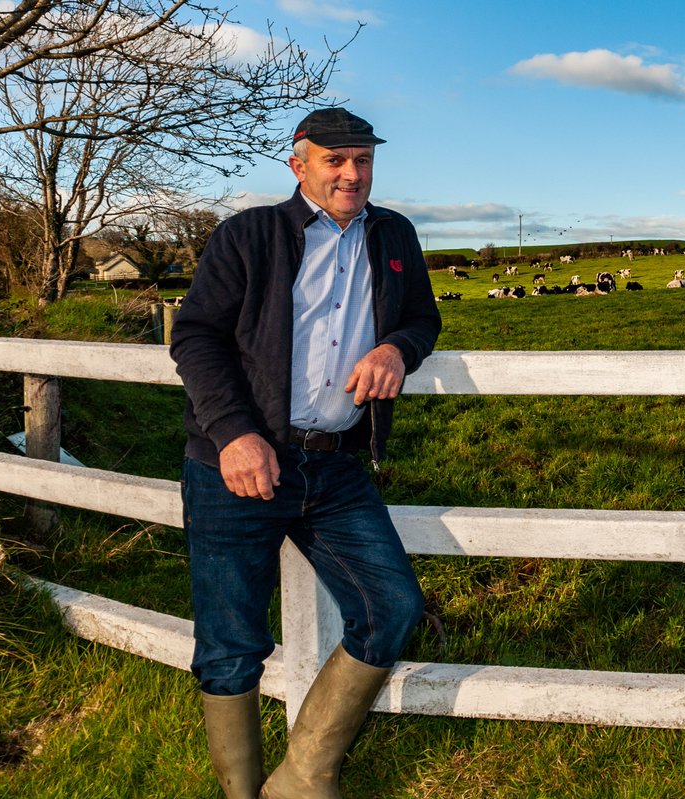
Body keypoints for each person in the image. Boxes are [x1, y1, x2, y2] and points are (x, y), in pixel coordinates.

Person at [169, 107, 442, 798]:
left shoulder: (394, 235)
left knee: (392, 607)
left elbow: (423, 318)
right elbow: (195, 335)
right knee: (231, 644)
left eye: (363, 160)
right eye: (335, 160)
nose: (353, 174)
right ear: (299, 165)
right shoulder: (249, 234)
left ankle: (303, 777)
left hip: (337, 464)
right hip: (239, 463)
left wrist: (396, 348)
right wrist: (234, 433)